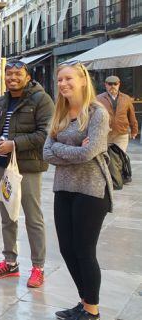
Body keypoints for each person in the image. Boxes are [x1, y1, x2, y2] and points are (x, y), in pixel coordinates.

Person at [43, 62, 113, 320]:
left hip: (91, 190)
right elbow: (45, 152)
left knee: (84, 250)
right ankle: (84, 301)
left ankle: (92, 310)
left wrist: (60, 148)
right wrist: (69, 150)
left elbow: (89, 152)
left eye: (68, 79)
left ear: (83, 80)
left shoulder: (97, 112)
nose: (63, 84)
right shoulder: (59, 114)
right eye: (59, 79)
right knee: (66, 248)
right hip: (63, 188)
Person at [0, 60, 54, 288]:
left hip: (28, 166)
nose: (12, 77)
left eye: (17, 74)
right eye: (9, 74)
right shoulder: (1, 102)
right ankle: (10, 263)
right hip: (2, 165)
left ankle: (38, 267)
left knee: (33, 217)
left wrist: (14, 144)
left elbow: (45, 134)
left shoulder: (41, 99)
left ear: (27, 75)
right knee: (7, 217)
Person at [97, 75, 138, 152]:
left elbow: (131, 115)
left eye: (115, 84)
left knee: (120, 158)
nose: (113, 86)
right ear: (105, 84)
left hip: (121, 134)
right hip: (104, 134)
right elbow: (92, 116)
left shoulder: (126, 98)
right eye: (110, 84)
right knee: (105, 158)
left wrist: (134, 130)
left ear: (119, 84)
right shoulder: (98, 99)